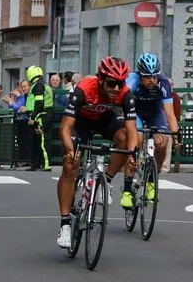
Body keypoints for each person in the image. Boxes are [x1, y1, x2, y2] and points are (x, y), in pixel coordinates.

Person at [55, 57, 138, 248]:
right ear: (100, 80)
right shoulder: (83, 89)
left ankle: (105, 181)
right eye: (111, 83)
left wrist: (132, 154)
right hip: (81, 122)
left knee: (125, 140)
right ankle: (65, 224)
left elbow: (132, 131)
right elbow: (65, 128)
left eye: (120, 83)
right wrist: (70, 150)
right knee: (70, 166)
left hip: (104, 119)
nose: (116, 88)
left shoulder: (125, 94)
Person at [126, 52, 181, 180]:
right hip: (136, 113)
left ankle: (154, 176)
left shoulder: (163, 83)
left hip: (155, 113)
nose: (151, 80)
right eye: (147, 76)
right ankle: (130, 179)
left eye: (154, 76)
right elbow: (123, 106)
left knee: (162, 143)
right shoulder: (132, 81)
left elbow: (170, 114)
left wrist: (176, 135)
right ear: (140, 74)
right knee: (137, 139)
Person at [25, 65, 54, 172]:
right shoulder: (43, 85)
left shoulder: (38, 86)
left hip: (42, 115)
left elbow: (39, 103)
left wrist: (33, 117)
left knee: (42, 141)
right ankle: (36, 164)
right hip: (45, 114)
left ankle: (46, 165)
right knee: (36, 140)